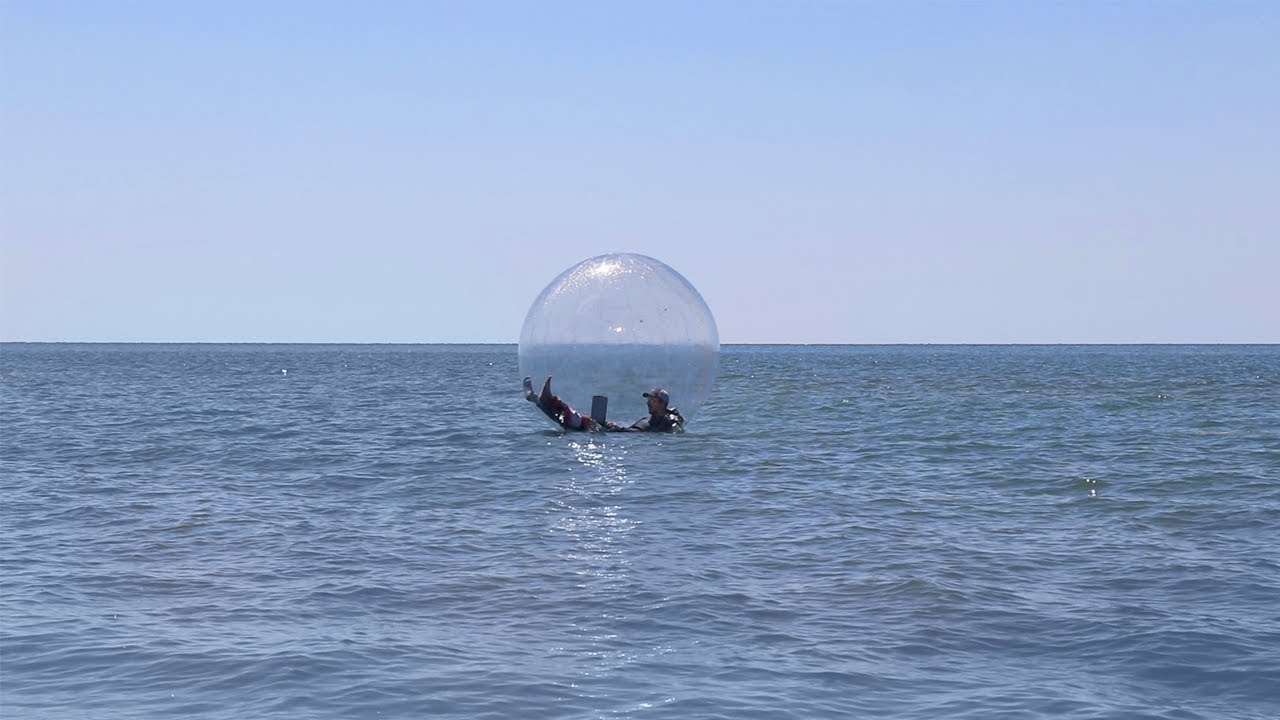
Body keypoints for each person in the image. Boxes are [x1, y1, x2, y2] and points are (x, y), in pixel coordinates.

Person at [523, 376, 685, 432]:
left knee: (577, 422)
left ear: (662, 403)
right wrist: (613, 426)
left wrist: (674, 418)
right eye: (648, 399)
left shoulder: (666, 420)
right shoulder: (653, 418)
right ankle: (540, 399)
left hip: (617, 437)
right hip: (616, 432)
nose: (648, 403)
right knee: (576, 423)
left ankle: (542, 399)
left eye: (652, 400)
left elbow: (676, 427)